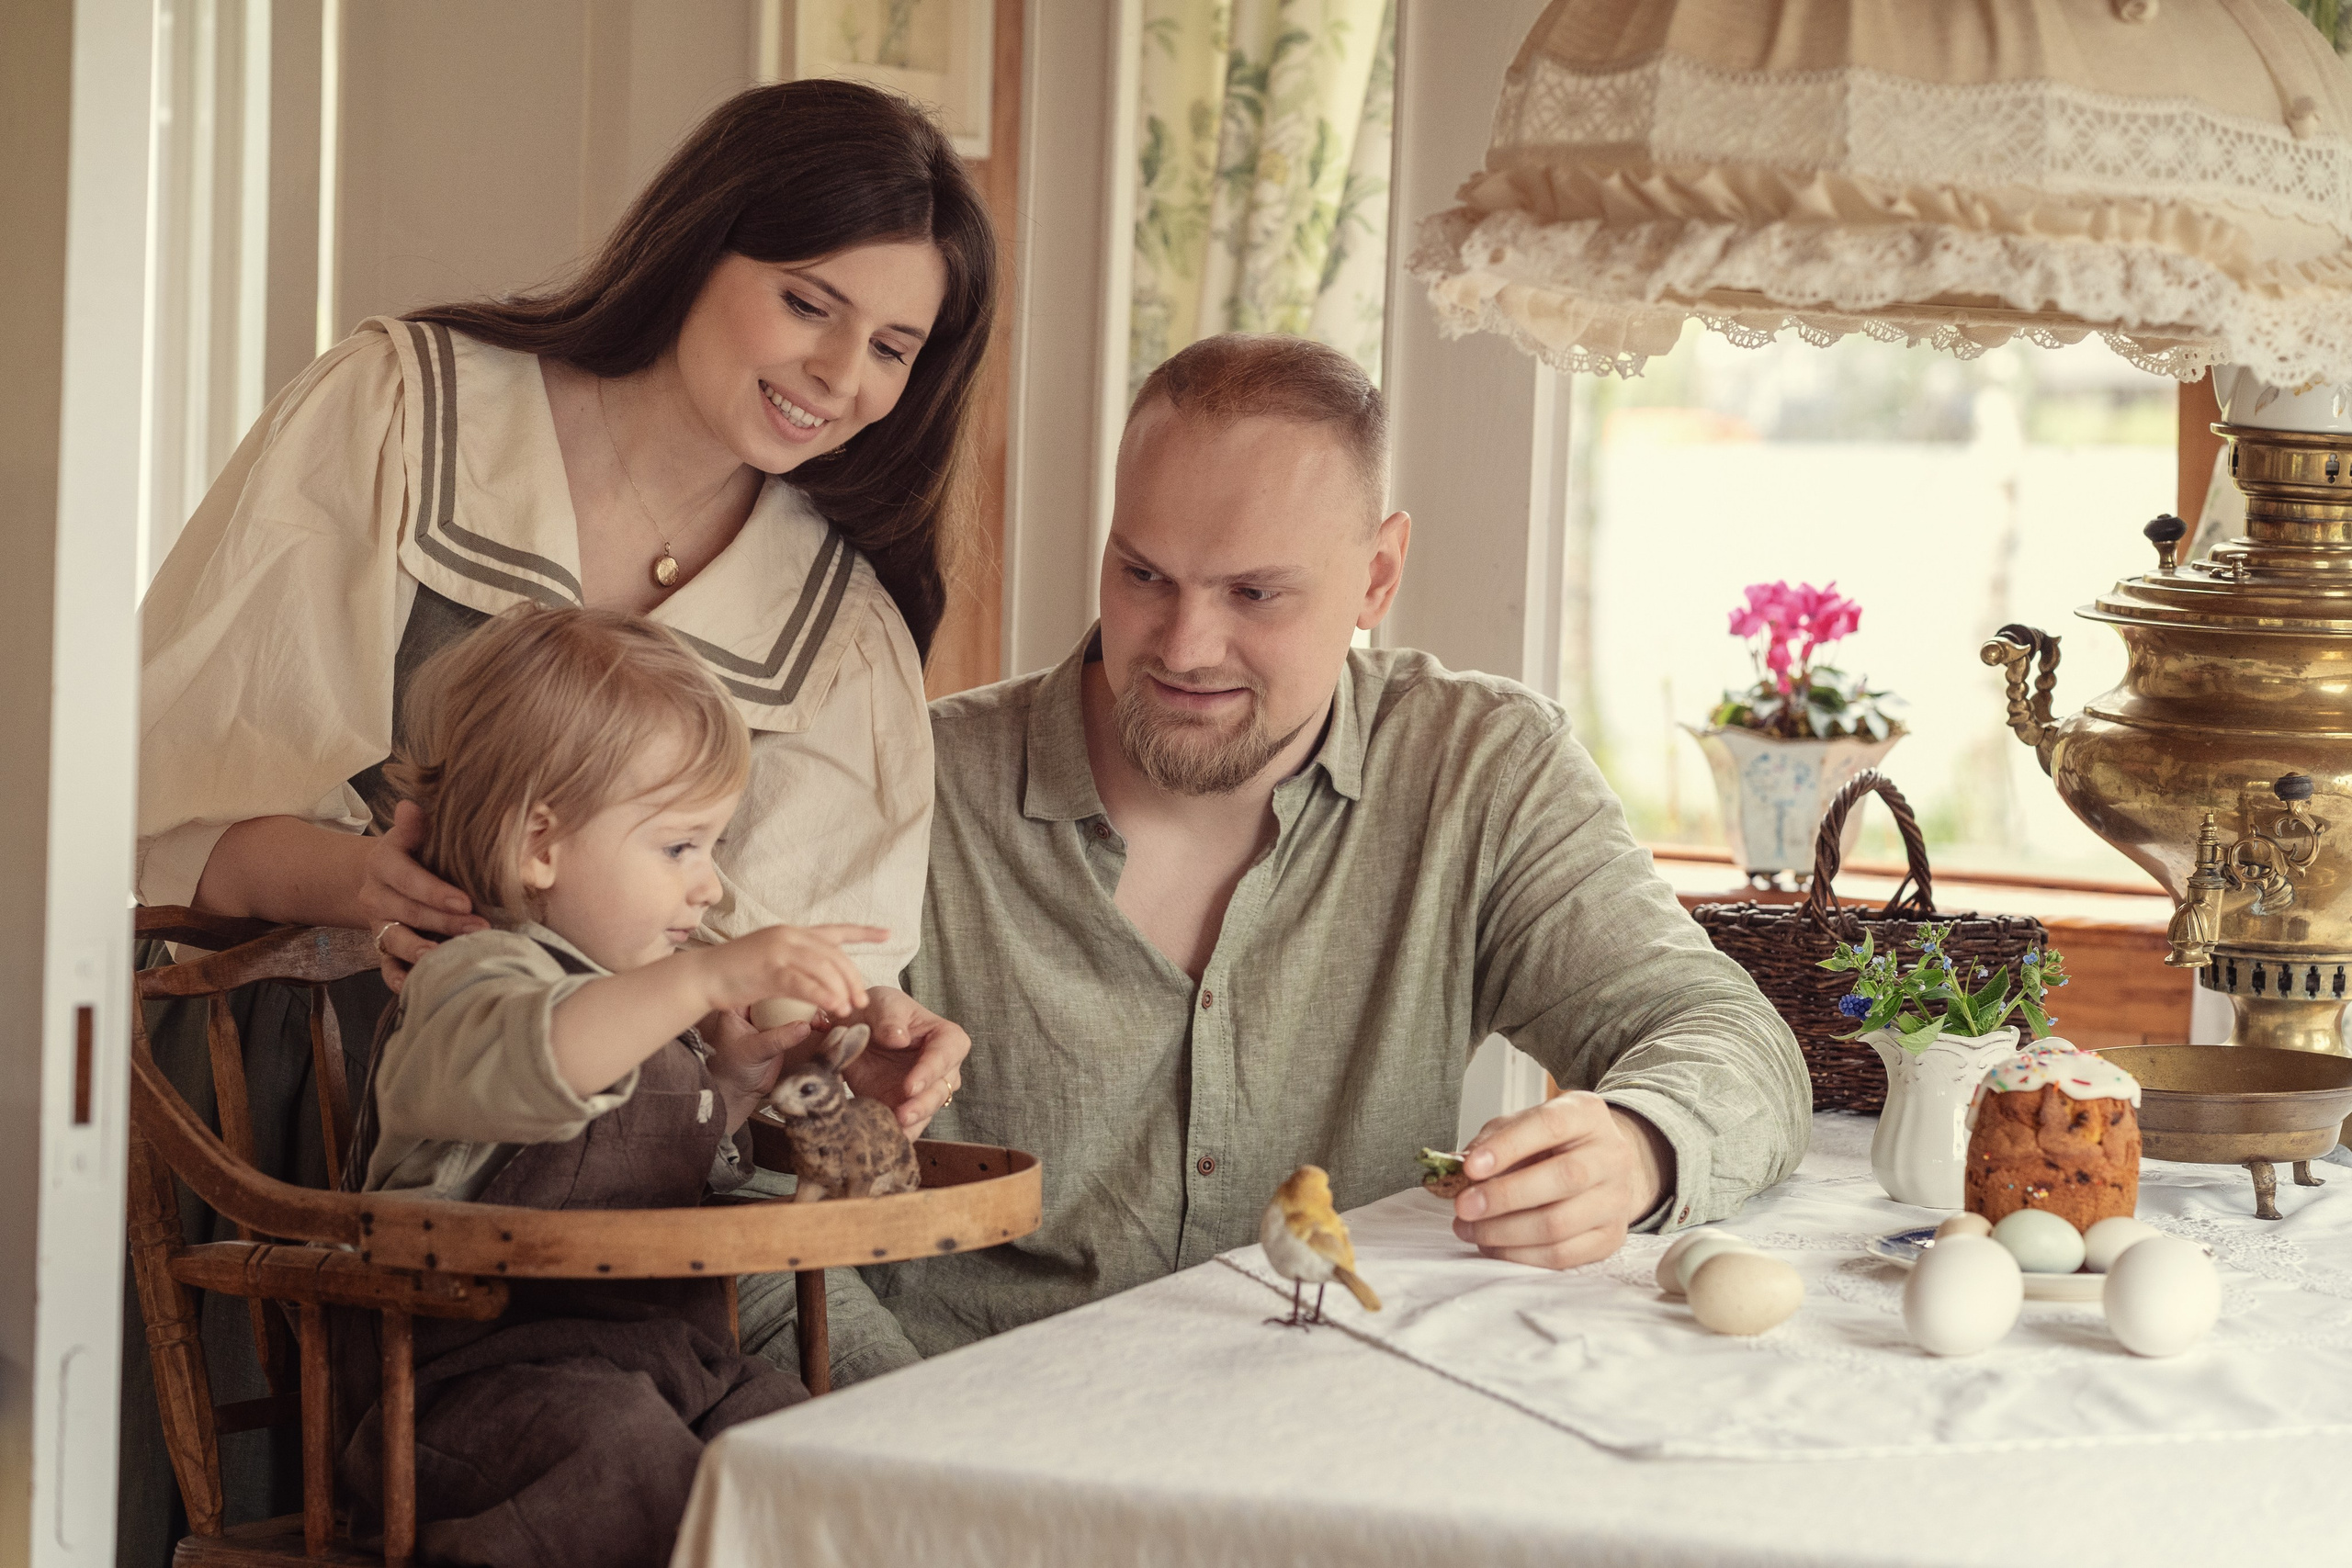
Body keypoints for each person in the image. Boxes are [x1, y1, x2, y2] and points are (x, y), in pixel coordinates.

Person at [130, 80, 978, 1553]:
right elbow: (156, 799)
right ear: (699, 247)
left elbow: (733, 997)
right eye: (806, 302)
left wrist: (838, 1039)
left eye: (894, 345)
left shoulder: (839, 630)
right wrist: (365, 879)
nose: (841, 372)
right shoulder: (411, 411)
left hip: (624, 1276)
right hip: (299, 1137)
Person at [853, 333, 1811, 1355]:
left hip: (1342, 1443)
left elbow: (1732, 1043)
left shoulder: (1478, 768)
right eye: (1143, 575)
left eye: (1254, 594)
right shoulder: (911, 786)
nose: (1183, 647)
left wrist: (1636, 1148)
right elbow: (751, 1195)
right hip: (962, 1454)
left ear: (1377, 576)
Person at [336, 603, 874, 1568]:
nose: (710, 887)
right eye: (681, 847)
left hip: (665, 1365)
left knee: (802, 1448)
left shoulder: (628, 1004)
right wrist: (709, 980)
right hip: (470, 1395)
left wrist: (733, 1088)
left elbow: (644, 1146)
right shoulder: (471, 980)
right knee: (624, 1463)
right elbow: (545, 1060)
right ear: (541, 844)